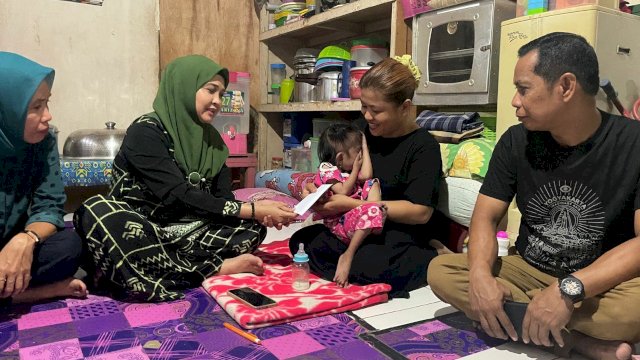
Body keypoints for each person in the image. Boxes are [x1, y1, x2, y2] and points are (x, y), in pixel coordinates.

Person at [427, 32, 640, 360]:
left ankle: (528, 318)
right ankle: (577, 341)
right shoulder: (515, 141)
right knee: (441, 271)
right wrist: (482, 277)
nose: (514, 101)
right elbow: (484, 217)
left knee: (634, 309)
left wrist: (568, 290)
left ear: (565, 87)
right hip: (529, 267)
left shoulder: (633, 143)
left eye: (523, 88)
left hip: (599, 281)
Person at [75, 55, 297, 302]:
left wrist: (258, 214)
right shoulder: (146, 131)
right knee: (98, 213)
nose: (217, 101)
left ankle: (167, 269)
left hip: (188, 231)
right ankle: (214, 268)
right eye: (210, 90)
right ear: (184, 88)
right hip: (142, 229)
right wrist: (252, 208)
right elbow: (177, 193)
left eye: (221, 94)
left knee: (250, 227)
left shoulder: (213, 143)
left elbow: (222, 200)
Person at [289, 56, 446, 297]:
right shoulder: (361, 132)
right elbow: (334, 168)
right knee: (303, 240)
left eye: (376, 110)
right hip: (353, 225)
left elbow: (420, 213)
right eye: (364, 106)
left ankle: (430, 256)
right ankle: (354, 268)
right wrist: (316, 189)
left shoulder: (423, 147)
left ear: (404, 107)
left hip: (395, 229)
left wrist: (354, 204)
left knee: (371, 262)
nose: (368, 116)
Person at [0, 52, 87, 307]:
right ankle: (31, 293)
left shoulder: (42, 142)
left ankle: (13, 293)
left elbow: (49, 205)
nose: (47, 116)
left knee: (70, 245)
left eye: (46, 103)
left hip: (12, 243)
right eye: (36, 107)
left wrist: (26, 240)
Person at [314, 123, 387, 287]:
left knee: (372, 182)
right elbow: (343, 191)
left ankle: (372, 215)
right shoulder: (327, 169)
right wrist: (355, 170)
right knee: (373, 208)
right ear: (340, 158)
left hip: (355, 215)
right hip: (339, 222)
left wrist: (365, 146)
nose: (359, 159)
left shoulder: (346, 169)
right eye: (357, 155)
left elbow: (367, 175)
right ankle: (349, 253)